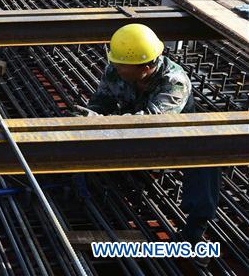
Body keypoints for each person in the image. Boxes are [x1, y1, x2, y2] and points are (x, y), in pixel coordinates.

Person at [81, 23, 219, 254]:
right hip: (130, 132)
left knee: (207, 154)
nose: (115, 67)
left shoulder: (174, 82)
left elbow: (149, 124)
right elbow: (101, 102)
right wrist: (87, 117)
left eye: (121, 65)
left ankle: (195, 229)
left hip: (170, 139)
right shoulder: (116, 69)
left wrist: (103, 122)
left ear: (145, 67)